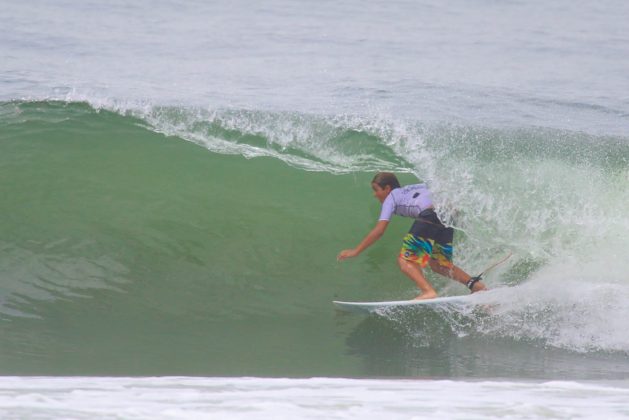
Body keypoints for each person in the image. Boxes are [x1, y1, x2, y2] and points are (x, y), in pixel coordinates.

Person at [337, 172, 486, 300]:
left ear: (387, 188)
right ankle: (476, 285)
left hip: (431, 214)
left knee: (404, 260)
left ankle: (428, 291)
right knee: (439, 264)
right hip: (448, 214)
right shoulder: (414, 187)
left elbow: (379, 230)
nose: (375, 194)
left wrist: (355, 251)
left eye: (376, 190)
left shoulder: (391, 198)